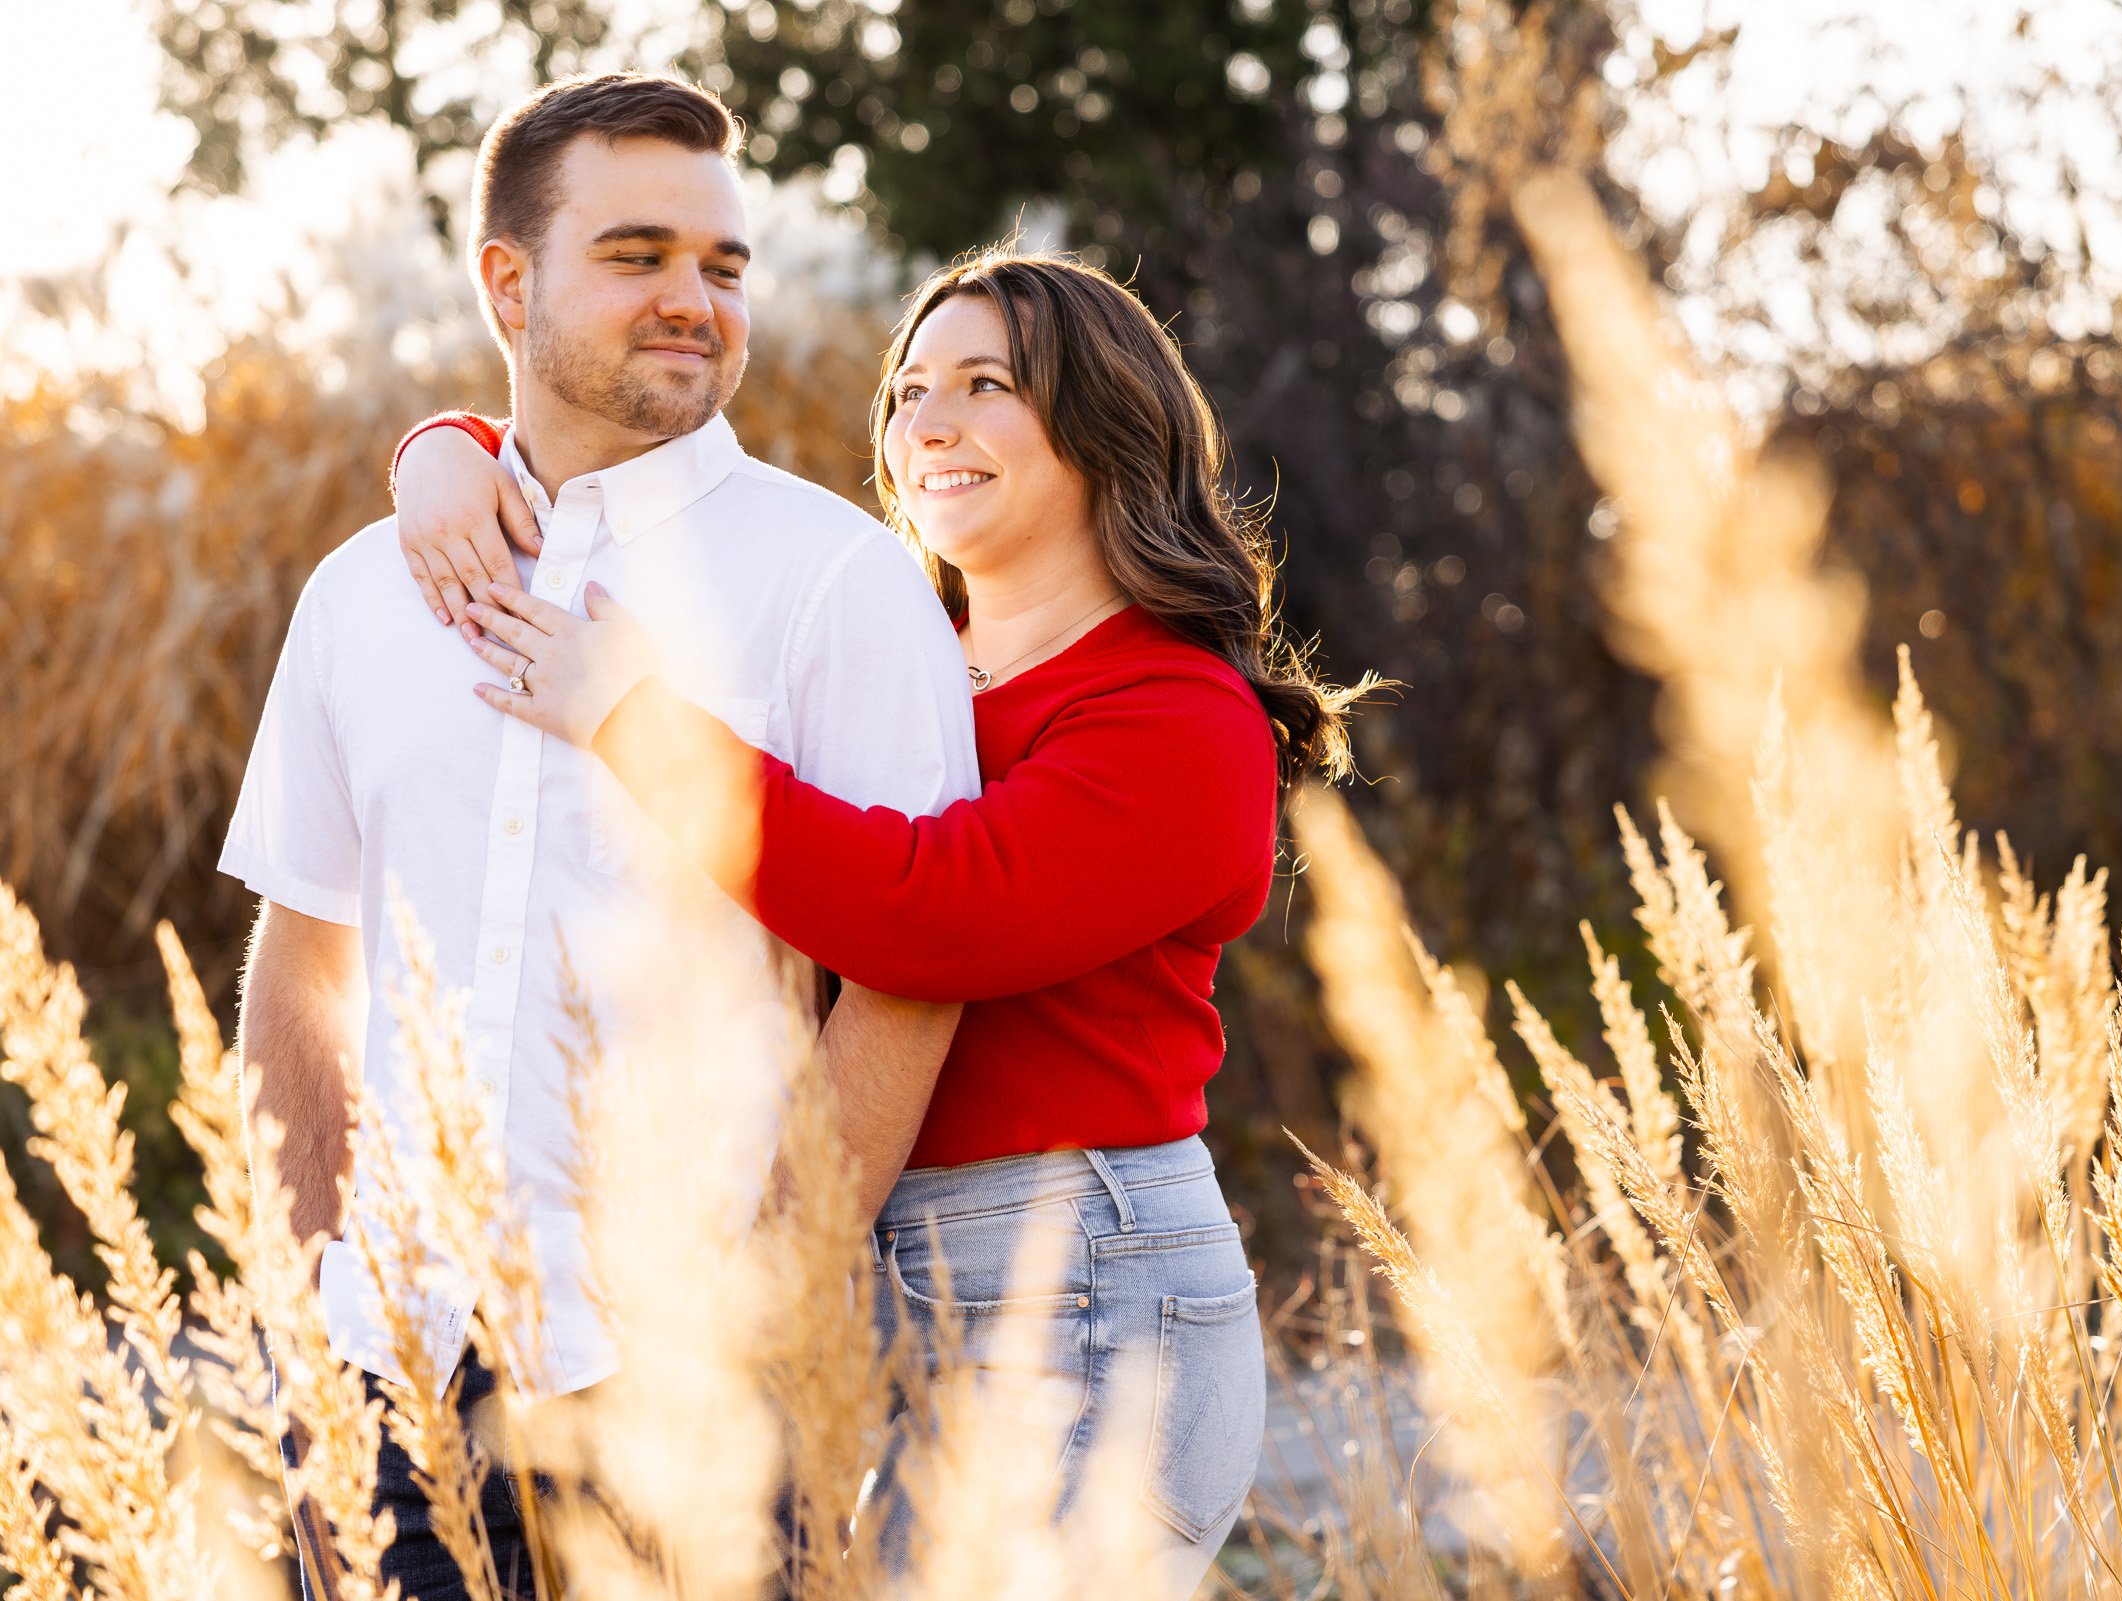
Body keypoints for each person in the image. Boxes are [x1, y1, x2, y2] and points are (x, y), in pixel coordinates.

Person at [386, 250, 1375, 1590]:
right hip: (891, 1287)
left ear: (1106, 425)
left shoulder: (1177, 718)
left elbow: (930, 915)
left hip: (1079, 1282)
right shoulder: (913, 671)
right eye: (910, 392)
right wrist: (448, 449)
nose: (929, 425)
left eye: (986, 386)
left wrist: (635, 719)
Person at [222, 73, 980, 1601]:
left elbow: (909, 978)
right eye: (638, 256)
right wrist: (305, 1323)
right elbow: (305, 960)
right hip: (388, 1389)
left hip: (694, 1398)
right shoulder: (362, 596)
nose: (694, 300)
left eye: (722, 264)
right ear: (509, 281)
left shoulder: (838, 579)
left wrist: (758, 1304)